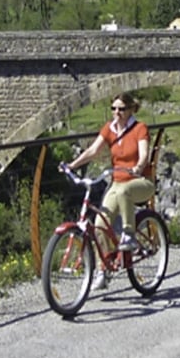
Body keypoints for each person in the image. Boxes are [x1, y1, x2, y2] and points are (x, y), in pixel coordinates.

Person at [65, 93, 155, 252]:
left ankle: (129, 234)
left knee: (123, 191)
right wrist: (72, 166)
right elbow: (93, 150)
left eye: (121, 109)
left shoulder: (140, 129)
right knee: (100, 226)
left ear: (130, 110)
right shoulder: (109, 128)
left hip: (141, 181)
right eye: (113, 108)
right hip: (117, 183)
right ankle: (103, 268)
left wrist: (138, 167)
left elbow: (144, 155)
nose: (117, 113)